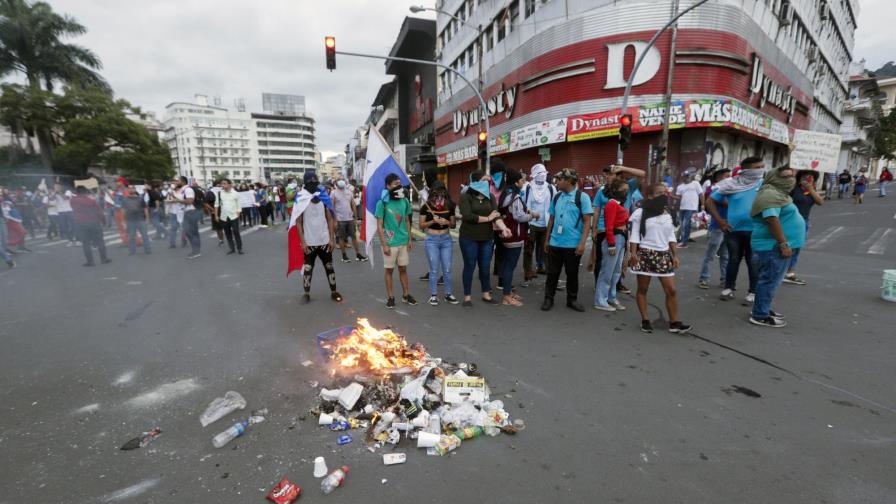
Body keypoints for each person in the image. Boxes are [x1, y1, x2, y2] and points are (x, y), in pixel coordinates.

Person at [629, 185, 691, 333]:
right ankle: (645, 320)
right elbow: (635, 235)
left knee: (672, 290)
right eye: (659, 193)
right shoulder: (640, 212)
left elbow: (671, 236)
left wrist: (674, 255)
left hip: (663, 255)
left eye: (665, 193)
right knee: (643, 289)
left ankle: (674, 323)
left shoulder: (668, 213)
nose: (663, 195)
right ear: (650, 196)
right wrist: (633, 254)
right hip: (644, 254)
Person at [749, 166, 805, 328]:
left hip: (774, 246)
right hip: (772, 246)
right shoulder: (770, 195)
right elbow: (771, 220)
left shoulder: (778, 194)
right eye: (786, 176)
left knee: (770, 280)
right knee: (769, 281)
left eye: (792, 176)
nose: (791, 180)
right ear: (774, 178)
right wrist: (783, 243)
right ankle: (760, 315)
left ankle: (762, 308)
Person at [706, 156, 765, 305]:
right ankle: (728, 288)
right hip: (733, 230)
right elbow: (710, 201)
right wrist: (720, 221)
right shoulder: (732, 184)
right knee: (733, 259)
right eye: (757, 167)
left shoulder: (764, 185)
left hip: (756, 230)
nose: (761, 170)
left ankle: (753, 292)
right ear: (747, 170)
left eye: (762, 167)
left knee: (753, 262)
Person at [542, 168, 593, 312]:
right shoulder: (557, 197)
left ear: (569, 181)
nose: (557, 182)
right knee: (552, 273)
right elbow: (551, 219)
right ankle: (548, 298)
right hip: (555, 243)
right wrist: (547, 240)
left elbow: (587, 221)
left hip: (573, 244)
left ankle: (572, 299)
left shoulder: (582, 197)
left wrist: (582, 243)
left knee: (572, 273)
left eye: (560, 179)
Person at [459, 170, 511, 307]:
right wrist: (488, 218)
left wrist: (504, 228)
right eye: (484, 180)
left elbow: (496, 215)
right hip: (469, 236)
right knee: (470, 265)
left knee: (485, 266)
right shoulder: (466, 196)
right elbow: (468, 216)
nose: (487, 183)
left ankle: (486, 294)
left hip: (487, 237)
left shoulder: (491, 197)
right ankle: (467, 297)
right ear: (475, 181)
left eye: (489, 181)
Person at [591, 164, 645, 294]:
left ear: (618, 176)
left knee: (619, 261)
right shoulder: (602, 191)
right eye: (606, 174)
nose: (607, 177)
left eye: (610, 174)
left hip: (621, 230)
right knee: (601, 260)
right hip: (604, 229)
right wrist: (594, 229)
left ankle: (616, 285)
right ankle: (599, 285)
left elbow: (642, 174)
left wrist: (623, 168)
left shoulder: (627, 187)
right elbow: (597, 211)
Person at [295, 171, 342, 304]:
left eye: (315, 182)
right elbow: (298, 221)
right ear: (305, 182)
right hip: (309, 242)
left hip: (324, 240)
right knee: (308, 269)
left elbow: (330, 219)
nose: (313, 184)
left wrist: (332, 239)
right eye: (310, 182)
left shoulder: (323, 196)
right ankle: (306, 293)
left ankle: (334, 291)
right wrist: (303, 242)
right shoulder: (301, 198)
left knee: (329, 266)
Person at [376, 173, 416, 308]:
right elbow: (380, 225)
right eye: (395, 184)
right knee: (389, 270)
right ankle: (391, 297)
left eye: (399, 183)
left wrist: (409, 238)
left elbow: (406, 220)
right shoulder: (382, 202)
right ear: (388, 186)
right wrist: (384, 244)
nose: (398, 186)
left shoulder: (404, 201)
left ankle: (406, 295)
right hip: (390, 242)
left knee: (403, 269)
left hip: (403, 241)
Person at [497, 169, 536, 306]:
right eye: (521, 180)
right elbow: (518, 217)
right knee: (510, 266)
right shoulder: (515, 197)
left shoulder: (505, 194)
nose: (523, 182)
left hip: (507, 235)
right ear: (516, 182)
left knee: (508, 264)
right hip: (515, 235)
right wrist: (532, 215)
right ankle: (506, 296)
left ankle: (508, 292)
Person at [419, 181, 459, 306]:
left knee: (447, 269)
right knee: (434, 269)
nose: (439, 195)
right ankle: (434, 295)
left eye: (441, 191)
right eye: (436, 192)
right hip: (432, 240)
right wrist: (433, 221)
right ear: (432, 192)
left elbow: (453, 225)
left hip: (446, 239)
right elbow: (421, 225)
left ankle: (448, 294)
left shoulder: (449, 205)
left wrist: (446, 222)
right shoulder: (426, 206)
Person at [593, 178, 630, 311]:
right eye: (624, 190)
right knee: (607, 272)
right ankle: (600, 300)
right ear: (615, 190)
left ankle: (611, 297)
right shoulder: (612, 204)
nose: (626, 192)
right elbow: (609, 225)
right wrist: (611, 244)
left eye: (627, 190)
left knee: (616, 272)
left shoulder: (618, 204)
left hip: (621, 237)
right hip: (614, 238)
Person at [782, 170, 823, 285]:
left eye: (811, 177)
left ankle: (790, 272)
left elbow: (820, 202)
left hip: (803, 222)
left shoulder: (811, 191)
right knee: (785, 245)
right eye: (805, 177)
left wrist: (810, 189)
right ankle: (781, 270)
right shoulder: (794, 189)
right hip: (789, 221)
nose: (808, 179)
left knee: (797, 247)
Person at [698, 168, 731, 289]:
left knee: (725, 256)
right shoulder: (715, 189)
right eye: (727, 176)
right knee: (710, 255)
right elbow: (727, 202)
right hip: (717, 227)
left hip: (728, 227)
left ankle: (724, 280)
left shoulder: (729, 189)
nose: (730, 178)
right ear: (719, 178)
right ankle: (704, 279)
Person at [522, 164, 553, 284]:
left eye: (544, 173)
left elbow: (553, 205)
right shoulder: (528, 188)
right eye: (540, 174)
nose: (542, 176)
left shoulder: (550, 188)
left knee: (546, 250)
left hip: (546, 225)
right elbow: (523, 205)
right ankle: (527, 274)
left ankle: (549, 275)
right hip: (531, 225)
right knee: (529, 250)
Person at [70, 186, 110, 266]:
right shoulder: (91, 201)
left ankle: (90, 261)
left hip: (81, 224)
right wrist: (104, 223)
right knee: (100, 241)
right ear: (85, 192)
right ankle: (103, 259)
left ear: (76, 192)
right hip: (94, 222)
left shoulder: (73, 201)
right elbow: (100, 213)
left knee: (86, 243)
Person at [331, 179, 367, 262]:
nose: (341, 184)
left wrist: (355, 217)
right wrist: (335, 220)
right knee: (341, 237)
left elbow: (353, 204)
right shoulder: (333, 193)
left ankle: (358, 254)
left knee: (354, 236)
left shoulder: (349, 192)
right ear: (336, 184)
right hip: (340, 219)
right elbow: (332, 207)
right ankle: (344, 256)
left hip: (350, 218)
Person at [169, 176, 200, 259]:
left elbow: (190, 201)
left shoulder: (188, 189)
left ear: (182, 182)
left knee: (192, 233)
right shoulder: (183, 190)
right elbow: (182, 199)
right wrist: (174, 197)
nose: (175, 183)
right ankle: (195, 250)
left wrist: (177, 200)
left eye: (177, 181)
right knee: (188, 232)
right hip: (187, 212)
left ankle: (196, 251)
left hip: (191, 212)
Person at [674, 173, 703, 248]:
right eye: (685, 177)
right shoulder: (680, 187)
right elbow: (679, 198)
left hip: (692, 208)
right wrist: (670, 196)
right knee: (684, 225)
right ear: (682, 177)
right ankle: (684, 240)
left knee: (685, 225)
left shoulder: (695, 183)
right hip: (682, 208)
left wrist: (703, 205)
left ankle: (684, 243)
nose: (687, 178)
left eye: (688, 176)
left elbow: (701, 194)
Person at [215, 178, 243, 255]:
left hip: (234, 216)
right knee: (227, 233)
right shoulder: (219, 193)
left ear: (230, 184)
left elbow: (239, 205)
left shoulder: (236, 194)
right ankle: (232, 248)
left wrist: (238, 214)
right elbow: (216, 205)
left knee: (236, 231)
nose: (222, 185)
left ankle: (239, 248)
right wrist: (216, 215)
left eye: (224, 183)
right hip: (223, 216)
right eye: (222, 184)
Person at [123, 185, 151, 255]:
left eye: (132, 188)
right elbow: (123, 210)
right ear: (128, 190)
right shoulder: (125, 199)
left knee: (145, 236)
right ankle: (132, 252)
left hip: (141, 219)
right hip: (130, 221)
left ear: (135, 189)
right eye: (129, 188)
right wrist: (124, 221)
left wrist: (147, 218)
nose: (131, 190)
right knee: (131, 237)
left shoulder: (140, 198)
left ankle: (148, 250)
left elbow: (145, 209)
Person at [204, 181, 225, 246]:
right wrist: (213, 209)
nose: (222, 186)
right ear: (216, 185)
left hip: (226, 211)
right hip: (216, 212)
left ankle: (230, 239)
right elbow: (205, 202)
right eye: (220, 184)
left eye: (223, 184)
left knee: (228, 226)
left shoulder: (225, 191)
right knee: (218, 228)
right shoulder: (211, 192)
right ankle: (221, 240)